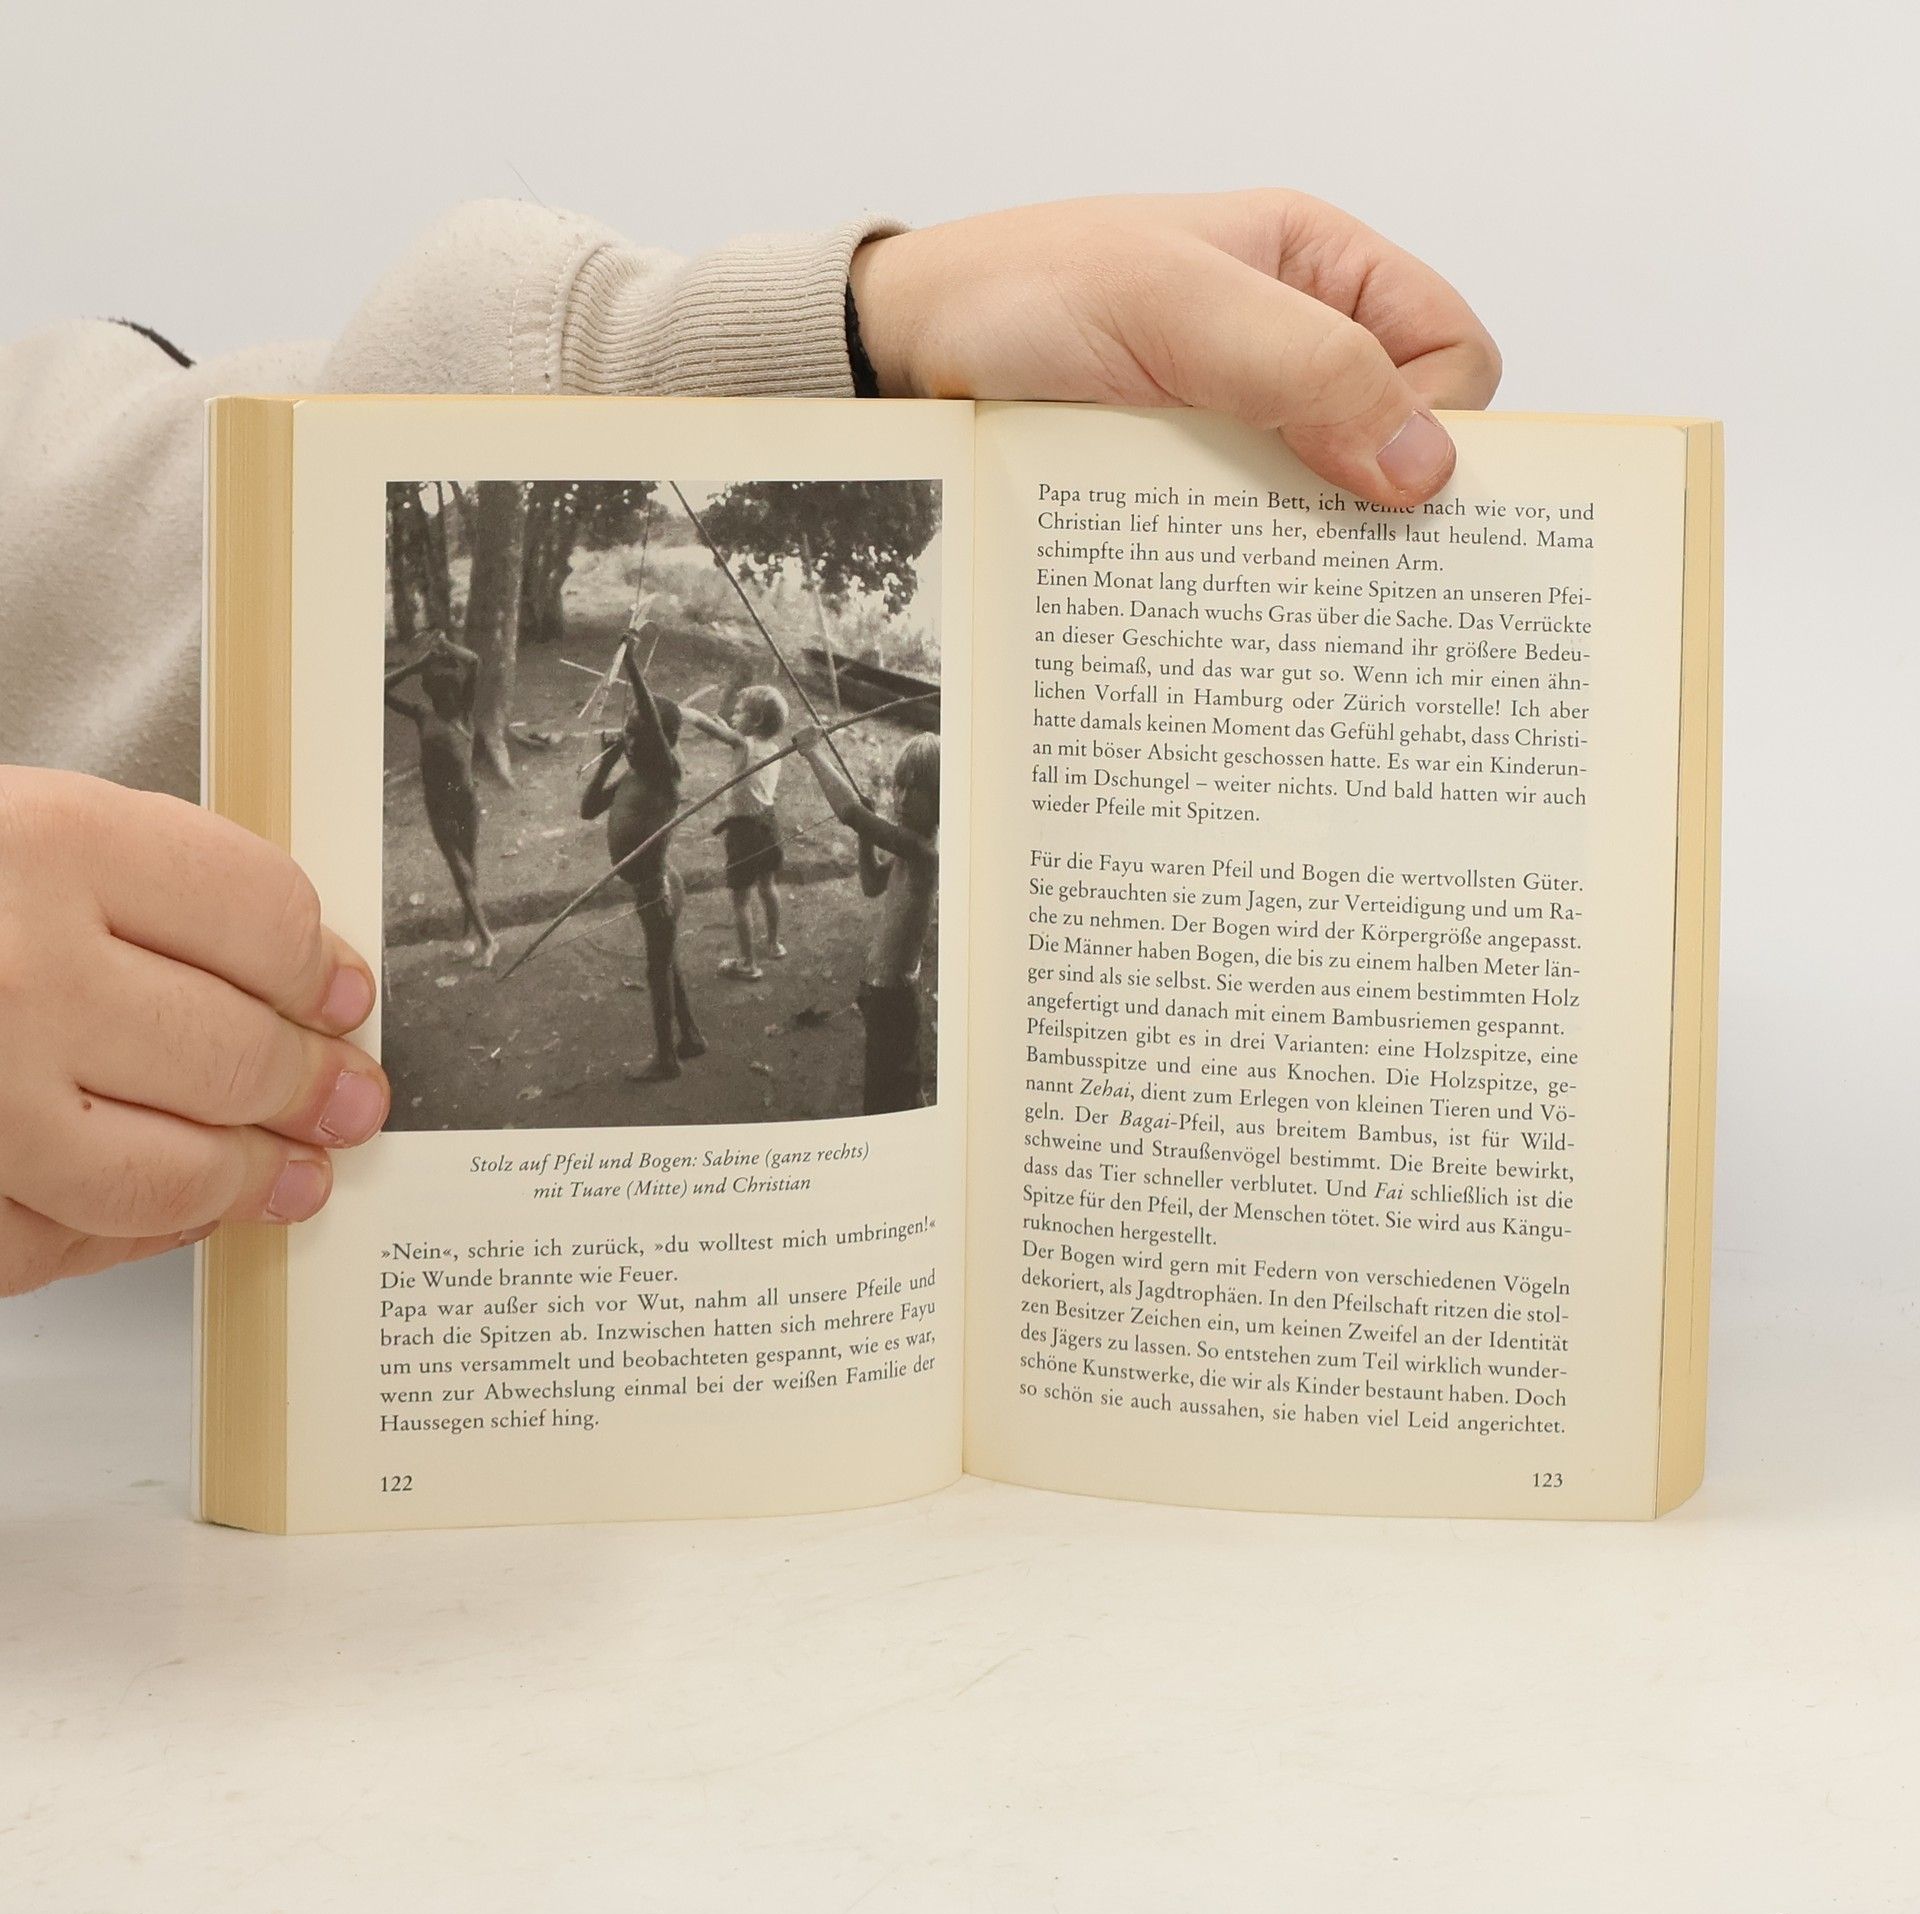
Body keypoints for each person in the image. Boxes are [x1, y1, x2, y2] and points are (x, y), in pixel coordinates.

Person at [0, 189, 1500, 1294]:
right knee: (758, 939)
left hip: (735, 860)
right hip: (689, 853)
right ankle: (707, 1032)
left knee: (789, 958)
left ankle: (704, 1041)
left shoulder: (793, 766)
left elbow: (93, 499)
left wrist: (810, 341)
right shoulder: (685, 751)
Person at [578, 634, 708, 1083]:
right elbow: (588, 809)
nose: (630, 741)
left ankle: (667, 1058)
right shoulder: (633, 776)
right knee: (666, 959)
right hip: (652, 885)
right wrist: (606, 760)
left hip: (659, 889)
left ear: (665, 741)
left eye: (639, 735)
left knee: (657, 970)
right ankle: (690, 1034)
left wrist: (632, 665)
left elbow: (651, 716)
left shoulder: (666, 776)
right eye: (626, 733)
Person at [794, 726, 939, 1114]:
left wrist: (813, 752)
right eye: (899, 787)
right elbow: (872, 884)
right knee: (895, 1085)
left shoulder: (924, 851)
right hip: (882, 992)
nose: (902, 799)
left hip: (894, 998)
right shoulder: (909, 847)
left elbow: (850, 813)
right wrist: (865, 837)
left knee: (885, 1096)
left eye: (916, 790)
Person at [384, 628, 499, 969]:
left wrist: (447, 645)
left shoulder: (463, 714)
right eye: (438, 694)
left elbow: (474, 662)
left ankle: (470, 936)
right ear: (432, 694)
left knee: (469, 870)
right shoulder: (424, 715)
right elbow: (380, 689)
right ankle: (489, 940)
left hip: (465, 800)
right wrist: (416, 666)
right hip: (438, 804)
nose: (444, 699)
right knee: (461, 872)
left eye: (449, 692)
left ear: (455, 692)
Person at [678, 682, 792, 980]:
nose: (733, 715)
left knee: (741, 900)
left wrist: (683, 712)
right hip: (769, 825)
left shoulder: (744, 744)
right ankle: (774, 944)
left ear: (756, 721)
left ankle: (747, 964)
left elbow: (708, 726)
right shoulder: (773, 749)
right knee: (767, 886)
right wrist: (729, 729)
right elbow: (736, 738)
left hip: (745, 832)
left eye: (739, 712)